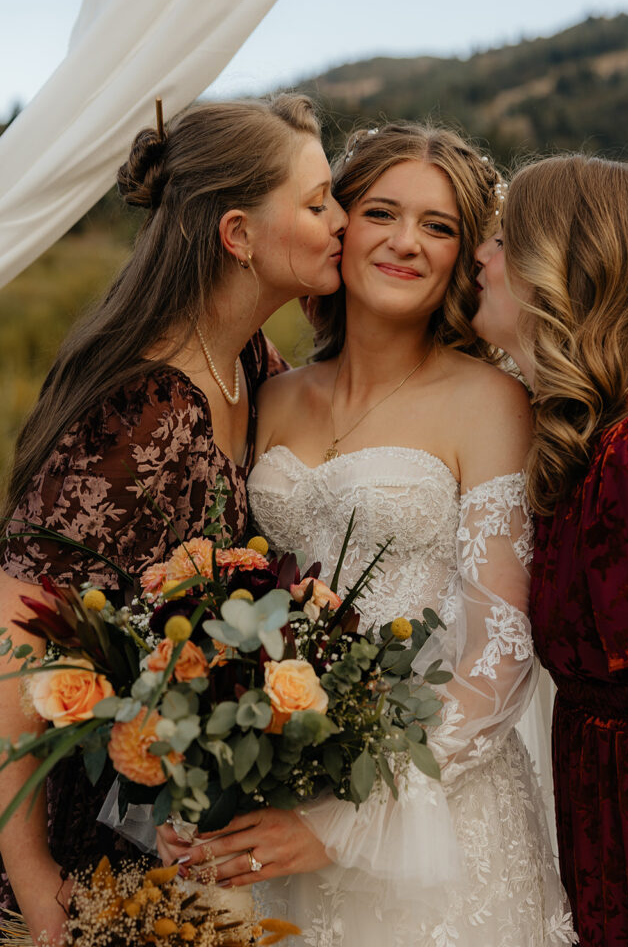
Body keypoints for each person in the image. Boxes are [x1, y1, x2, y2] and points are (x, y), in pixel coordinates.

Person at [159, 123, 576, 945]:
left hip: (438, 818)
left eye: (440, 225)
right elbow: (238, 601)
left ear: (464, 255)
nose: (406, 243)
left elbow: (501, 648)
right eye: (382, 212)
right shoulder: (268, 396)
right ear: (340, 227)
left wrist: (350, 817)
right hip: (282, 800)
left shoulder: (490, 402)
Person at [0, 93, 347, 944]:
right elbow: (14, 636)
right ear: (236, 234)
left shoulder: (249, 362)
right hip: (79, 837)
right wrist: (33, 875)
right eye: (315, 204)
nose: (340, 221)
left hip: (168, 826)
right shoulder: (146, 408)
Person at [472, 154, 628, 946]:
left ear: (566, 262)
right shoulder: (583, 445)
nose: (481, 257)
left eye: (500, 239)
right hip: (609, 837)